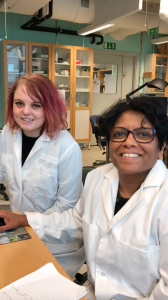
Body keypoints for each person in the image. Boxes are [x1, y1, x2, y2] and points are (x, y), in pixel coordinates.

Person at [1, 96, 168, 299]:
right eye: (120, 133)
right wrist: (23, 219)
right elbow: (75, 221)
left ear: (161, 147)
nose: (129, 142)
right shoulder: (97, 178)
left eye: (143, 134)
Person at [0, 73, 83, 278]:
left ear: (50, 107)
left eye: (36, 105)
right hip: (19, 230)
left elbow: (67, 207)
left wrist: (23, 220)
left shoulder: (67, 147)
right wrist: (19, 221)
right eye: (19, 103)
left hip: (56, 241)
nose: (25, 112)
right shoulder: (8, 133)